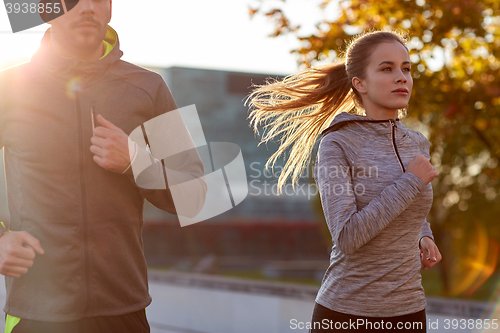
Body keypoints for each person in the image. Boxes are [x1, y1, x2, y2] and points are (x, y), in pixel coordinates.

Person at [0, 1, 206, 332]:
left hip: (123, 310)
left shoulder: (149, 87)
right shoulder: (9, 88)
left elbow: (196, 194)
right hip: (35, 312)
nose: (86, 8)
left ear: (110, 8)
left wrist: (137, 162)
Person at [247, 30, 442, 332]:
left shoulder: (416, 143)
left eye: (406, 68)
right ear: (359, 83)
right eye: (387, 68)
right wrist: (411, 181)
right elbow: (348, 236)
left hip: (410, 313)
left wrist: (423, 234)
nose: (402, 77)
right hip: (347, 315)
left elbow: (413, 207)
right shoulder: (338, 143)